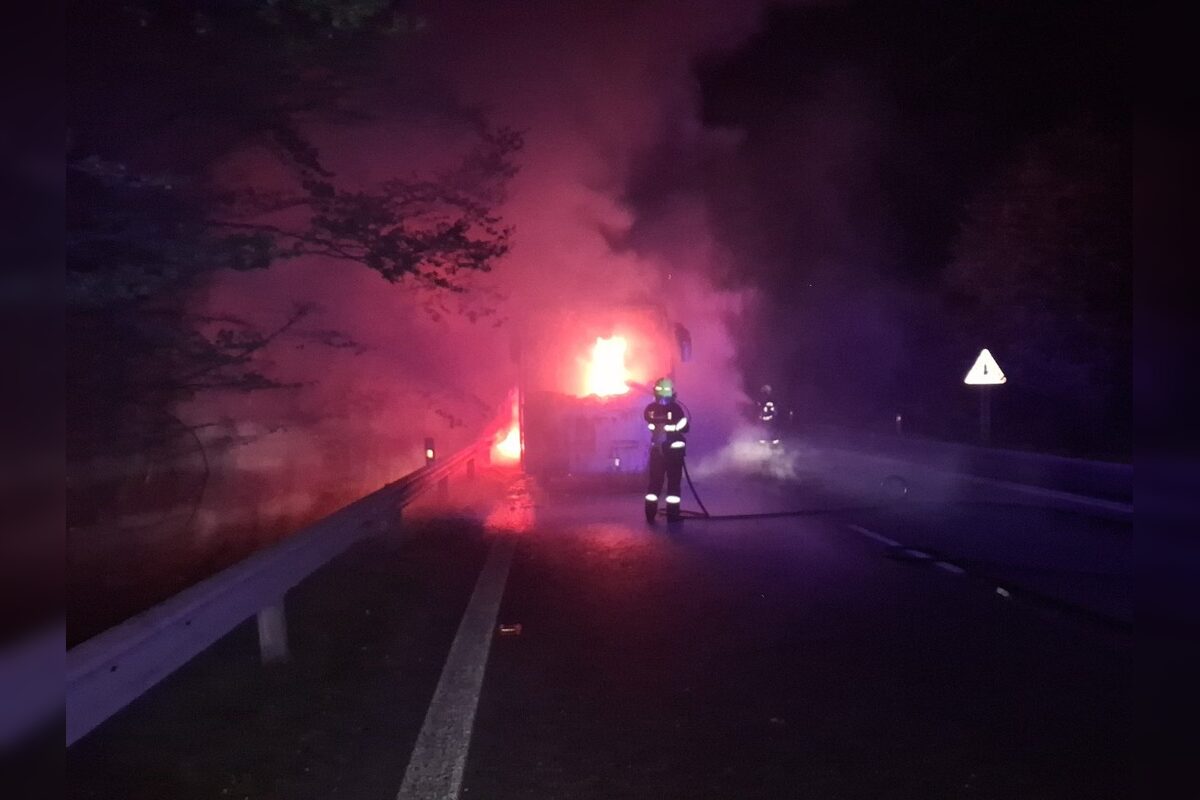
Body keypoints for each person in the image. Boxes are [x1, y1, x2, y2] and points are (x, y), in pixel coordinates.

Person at [644, 377, 689, 522]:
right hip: (674, 453)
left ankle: (650, 514)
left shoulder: (650, 409)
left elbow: (650, 425)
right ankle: (673, 515)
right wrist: (676, 427)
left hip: (657, 452)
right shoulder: (676, 408)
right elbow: (685, 427)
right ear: (672, 393)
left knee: (654, 484)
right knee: (673, 485)